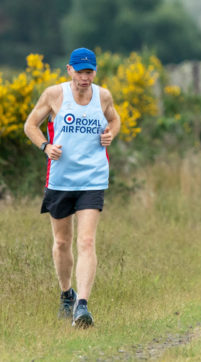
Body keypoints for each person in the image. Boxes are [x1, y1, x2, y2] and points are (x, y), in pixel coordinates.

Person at [24, 47, 121, 328]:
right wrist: (46, 146)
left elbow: (114, 119)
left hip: (92, 178)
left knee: (87, 241)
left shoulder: (103, 96)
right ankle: (67, 294)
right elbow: (31, 125)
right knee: (62, 242)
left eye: (89, 72)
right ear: (69, 70)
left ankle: (82, 306)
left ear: (94, 72)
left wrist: (110, 133)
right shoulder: (55, 95)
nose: (85, 78)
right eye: (80, 72)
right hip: (60, 180)